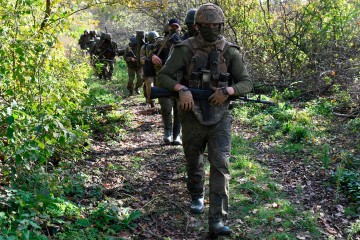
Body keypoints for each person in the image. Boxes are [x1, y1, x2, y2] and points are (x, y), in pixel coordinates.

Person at [157, 3, 253, 237]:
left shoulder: (229, 51)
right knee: (193, 158)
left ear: (221, 25)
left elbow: (246, 82)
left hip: (220, 116)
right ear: (197, 26)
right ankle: (196, 194)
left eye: (216, 25)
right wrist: (181, 89)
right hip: (191, 115)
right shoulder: (184, 49)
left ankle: (217, 220)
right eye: (207, 25)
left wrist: (229, 92)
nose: (212, 29)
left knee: (221, 165)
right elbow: (163, 77)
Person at [151, 18, 183, 145]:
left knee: (179, 108)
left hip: (181, 79)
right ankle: (168, 132)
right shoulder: (161, 42)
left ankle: (177, 134)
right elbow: (148, 52)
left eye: (176, 27)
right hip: (164, 78)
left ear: (181, 28)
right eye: (172, 27)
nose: (174, 29)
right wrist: (153, 56)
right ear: (167, 27)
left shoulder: (186, 41)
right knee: (165, 106)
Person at [140, 31, 159, 108]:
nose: (154, 41)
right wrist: (148, 60)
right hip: (148, 69)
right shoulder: (144, 47)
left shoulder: (160, 45)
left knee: (158, 85)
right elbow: (141, 58)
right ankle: (151, 102)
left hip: (158, 69)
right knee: (149, 86)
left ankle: (161, 101)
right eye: (153, 40)